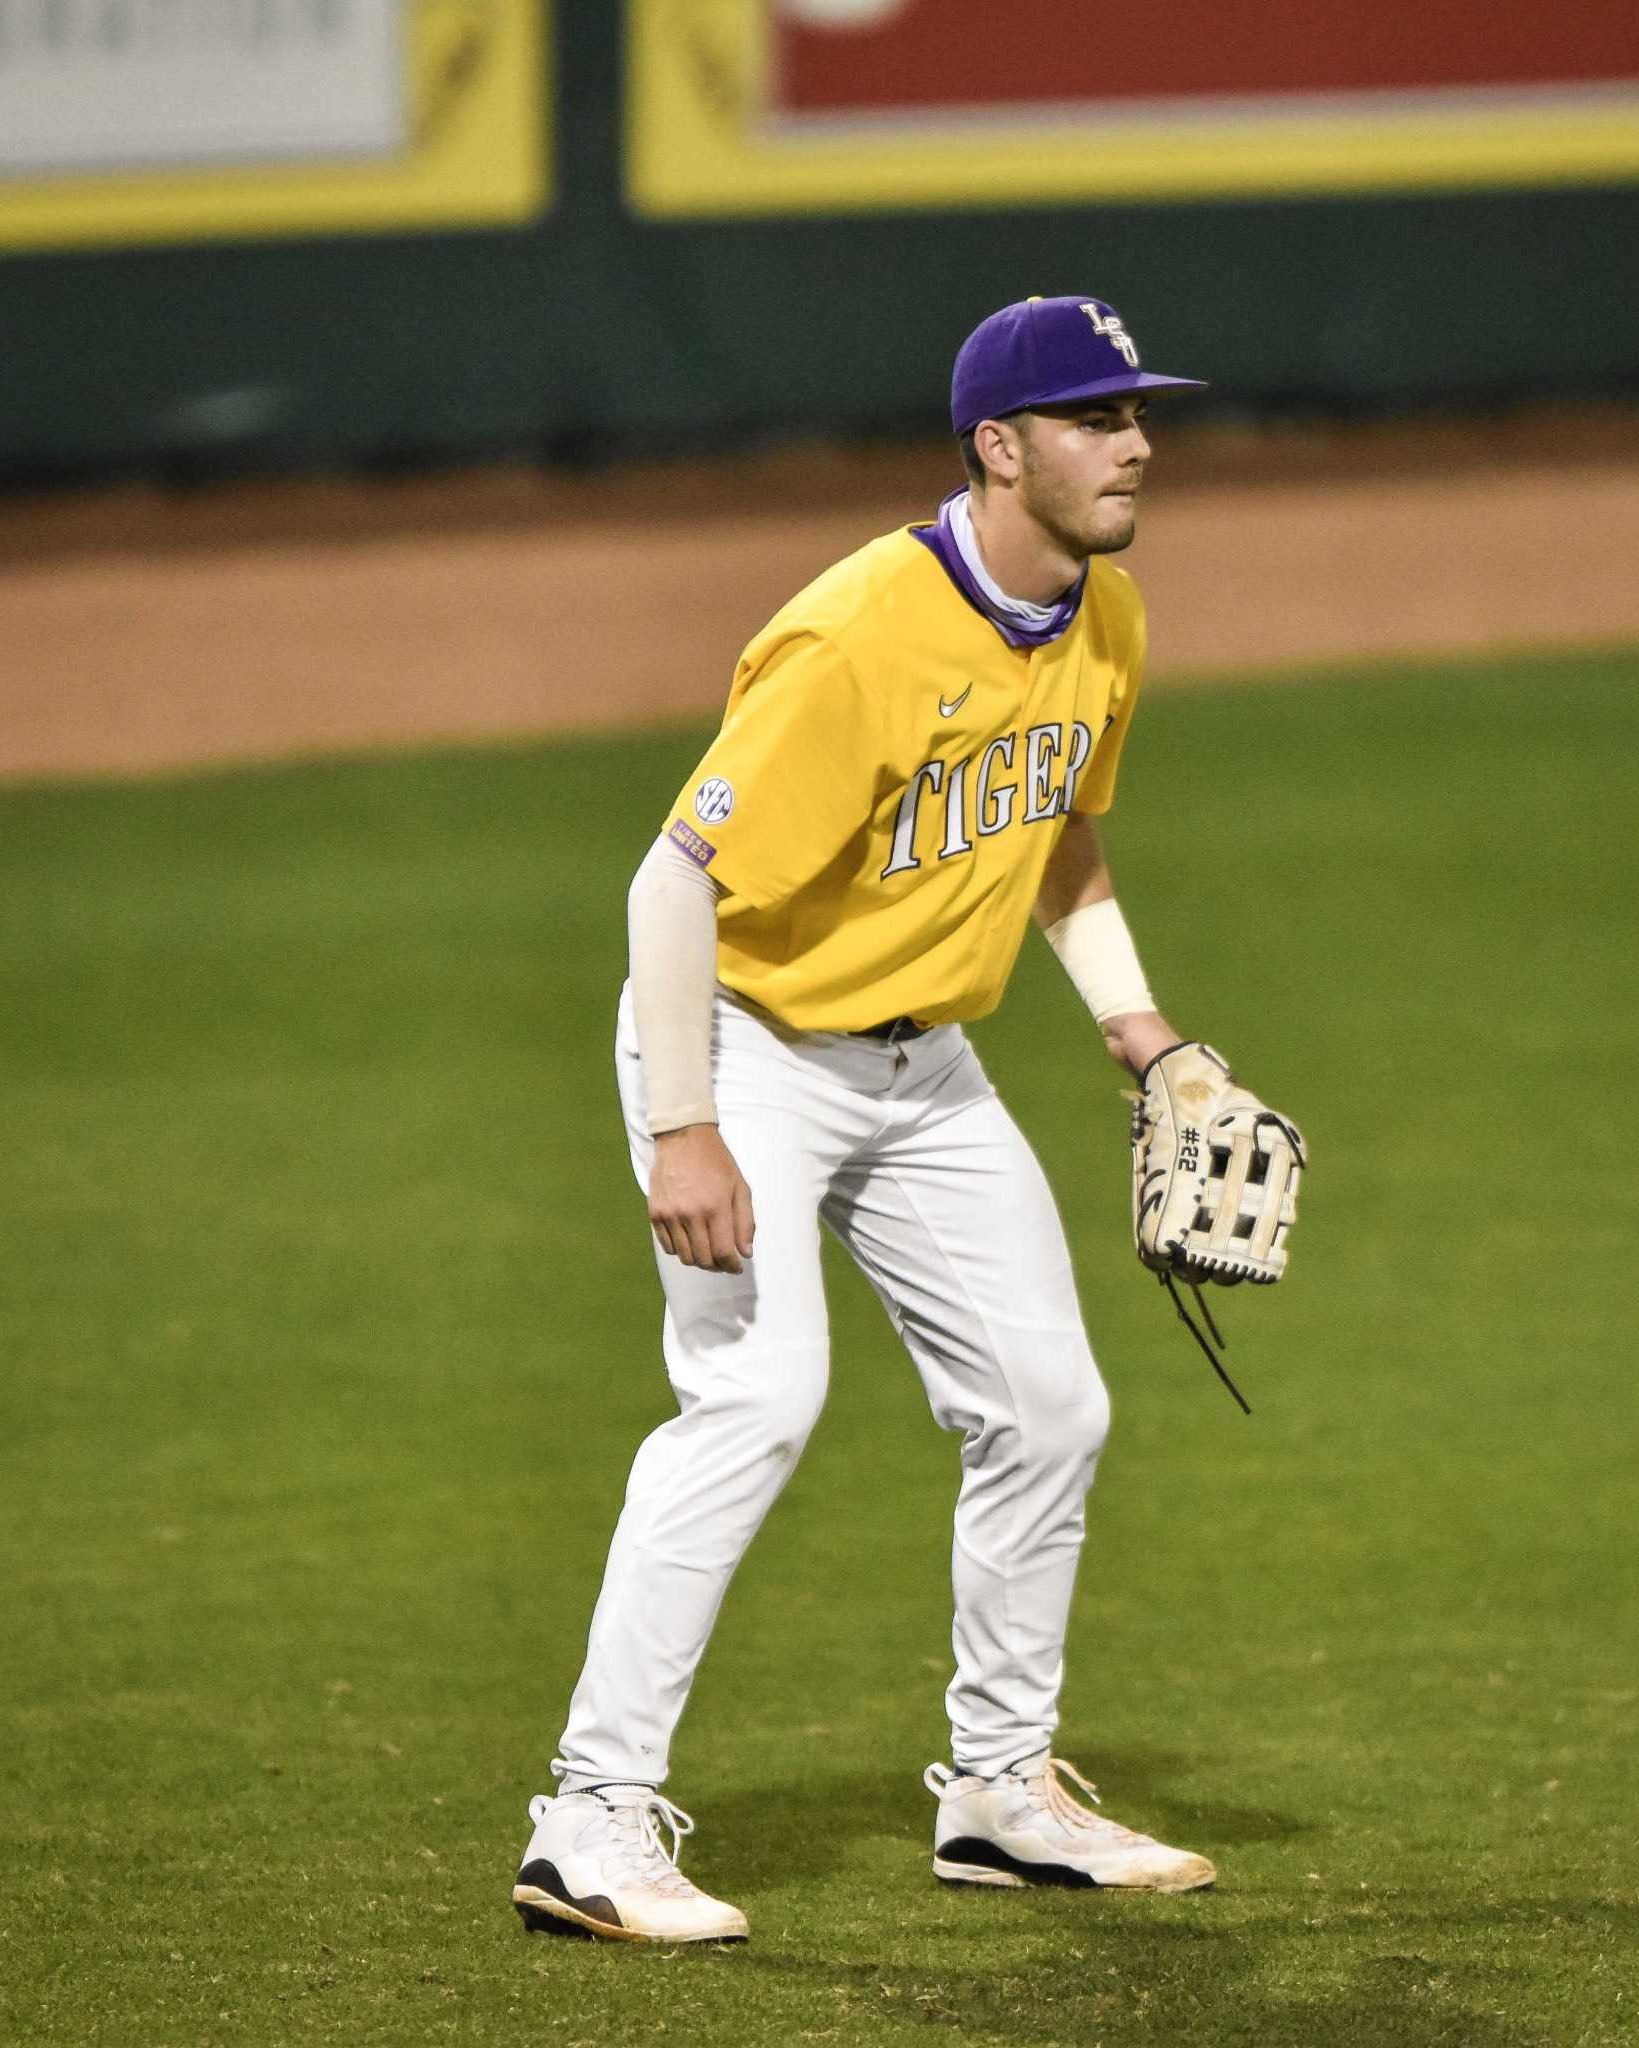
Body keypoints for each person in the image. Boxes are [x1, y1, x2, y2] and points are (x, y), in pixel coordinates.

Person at [514, 296, 1226, 1946]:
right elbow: (670, 879)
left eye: (1140, 414)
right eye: (1097, 417)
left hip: (928, 1077)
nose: (1136, 444)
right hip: (747, 1048)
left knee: (1050, 1408)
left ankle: (1001, 1794)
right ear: (999, 446)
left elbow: (1058, 831)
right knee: (756, 1400)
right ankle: (589, 1817)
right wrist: (685, 1127)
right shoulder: (859, 636)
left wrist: (1140, 1028)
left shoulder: (1104, 613)